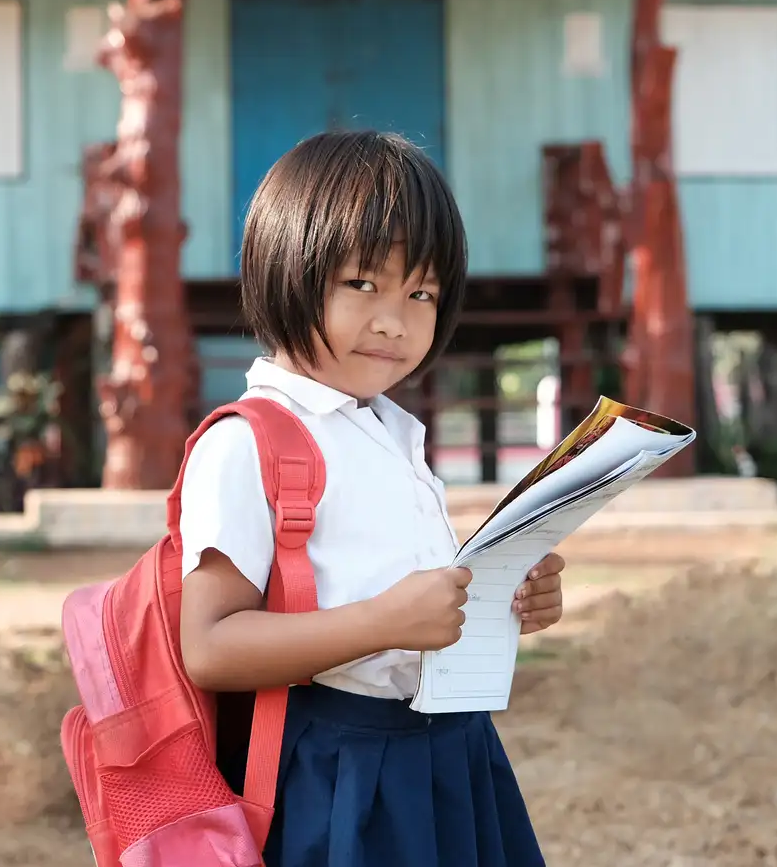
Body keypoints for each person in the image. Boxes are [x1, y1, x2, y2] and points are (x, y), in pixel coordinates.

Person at [179, 129, 562, 867]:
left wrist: (508, 597)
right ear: (287, 268)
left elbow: (412, 602)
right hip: (342, 771)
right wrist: (381, 623)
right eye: (363, 284)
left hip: (451, 754)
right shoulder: (250, 442)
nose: (394, 320)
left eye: (421, 293)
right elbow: (211, 646)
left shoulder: (391, 432)